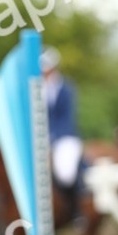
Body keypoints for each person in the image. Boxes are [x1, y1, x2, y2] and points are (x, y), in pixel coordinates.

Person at [40, 46, 84, 217]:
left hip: (64, 136)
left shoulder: (66, 88)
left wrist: (53, 136)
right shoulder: (38, 89)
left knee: (66, 172)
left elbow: (66, 117)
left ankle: (75, 211)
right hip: (42, 138)